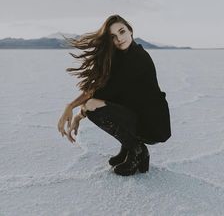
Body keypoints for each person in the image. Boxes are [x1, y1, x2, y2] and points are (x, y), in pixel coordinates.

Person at [57, 15, 171, 176]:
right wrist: (74, 109)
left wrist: (75, 111)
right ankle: (128, 148)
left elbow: (100, 93)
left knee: (91, 106)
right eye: (113, 37)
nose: (119, 39)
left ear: (130, 31)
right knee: (100, 103)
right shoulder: (119, 56)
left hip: (153, 123)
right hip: (138, 113)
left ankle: (137, 150)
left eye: (122, 32)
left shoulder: (137, 58)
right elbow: (103, 89)